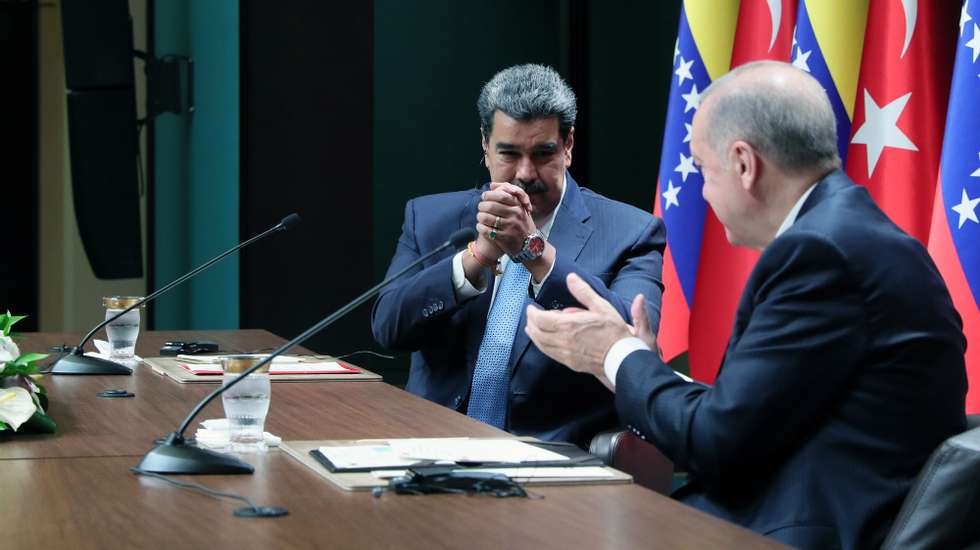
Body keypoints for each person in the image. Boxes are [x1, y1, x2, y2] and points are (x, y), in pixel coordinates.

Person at [525, 61, 967, 549]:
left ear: (743, 164)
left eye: (702, 169)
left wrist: (614, 354)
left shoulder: (821, 254)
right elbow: (754, 411)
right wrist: (629, 361)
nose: (703, 191)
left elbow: (718, 441)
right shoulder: (850, 234)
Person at [371, 64, 666, 448]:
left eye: (543, 154)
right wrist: (476, 257)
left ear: (568, 146)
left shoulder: (632, 232)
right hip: (430, 450)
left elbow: (631, 344)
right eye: (509, 153)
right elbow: (388, 327)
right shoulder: (428, 219)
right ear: (484, 145)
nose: (525, 173)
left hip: (553, 461)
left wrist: (534, 252)